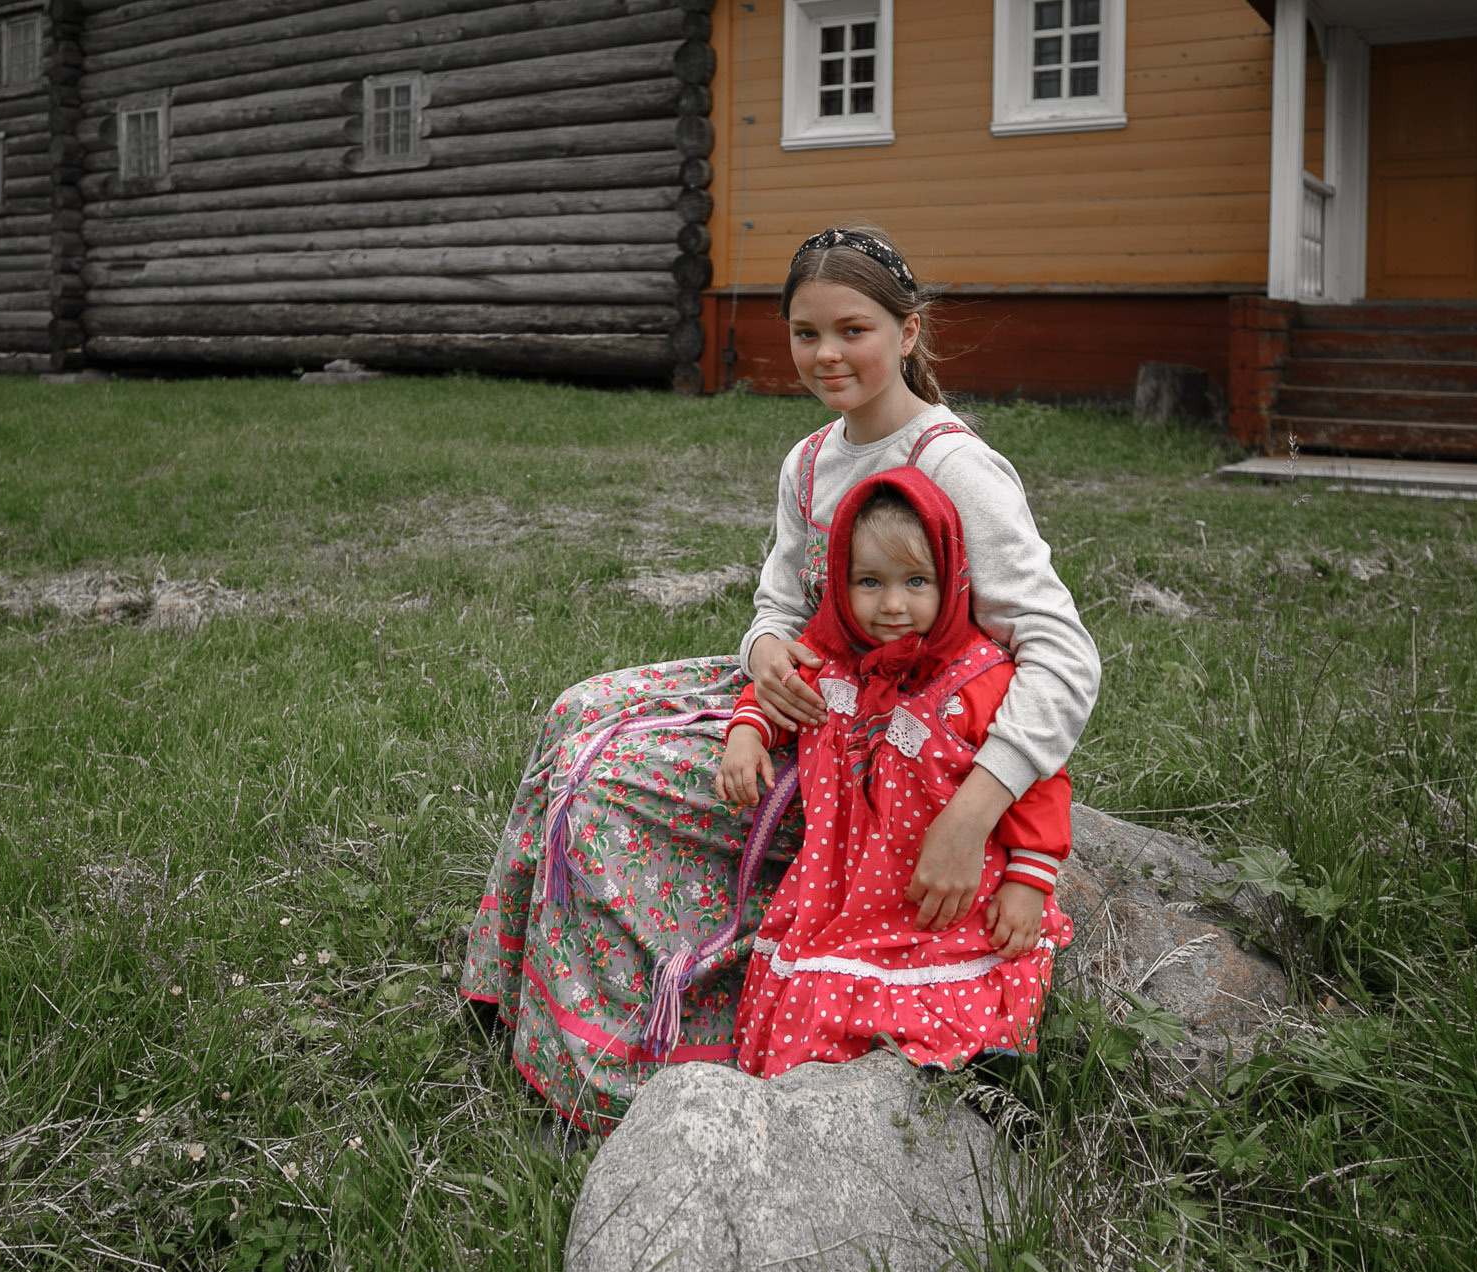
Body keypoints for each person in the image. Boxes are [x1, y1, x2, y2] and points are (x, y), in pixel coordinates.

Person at [462, 223, 1100, 1134]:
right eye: (807, 333)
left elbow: (1064, 656)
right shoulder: (809, 462)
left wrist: (974, 816)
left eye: (854, 329)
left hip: (883, 748)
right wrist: (766, 656)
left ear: (909, 334)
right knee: (577, 710)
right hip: (808, 695)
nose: (827, 354)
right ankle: (507, 989)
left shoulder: (955, 468)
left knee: (604, 787)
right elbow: (776, 604)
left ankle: (619, 1069)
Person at [717, 470, 1072, 1077]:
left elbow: (1038, 779)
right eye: (869, 582)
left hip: (947, 899)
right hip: (842, 890)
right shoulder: (829, 661)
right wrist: (748, 734)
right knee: (817, 988)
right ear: (838, 584)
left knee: (957, 992)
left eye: (916, 582)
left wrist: (1029, 881)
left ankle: (969, 1082)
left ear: (954, 580)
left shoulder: (979, 679)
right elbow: (775, 696)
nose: (892, 605)